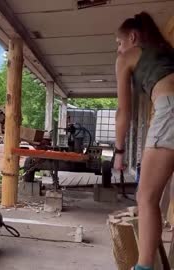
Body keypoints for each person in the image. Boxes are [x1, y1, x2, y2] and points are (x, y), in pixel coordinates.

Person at [114, 11, 174, 270]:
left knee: (146, 197)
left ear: (133, 36)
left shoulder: (128, 57)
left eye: (119, 43)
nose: (119, 49)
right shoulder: (166, 52)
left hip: (170, 110)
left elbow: (123, 112)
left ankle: (144, 267)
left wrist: (119, 151)